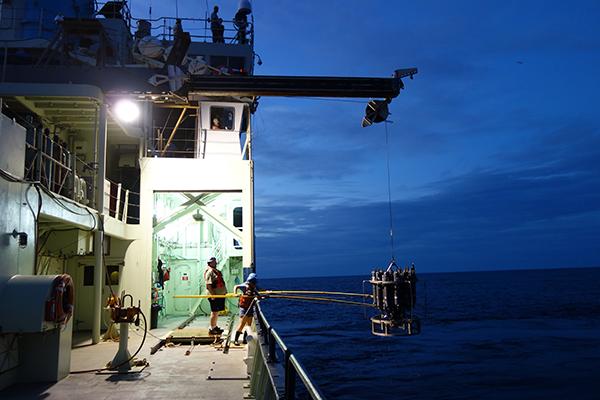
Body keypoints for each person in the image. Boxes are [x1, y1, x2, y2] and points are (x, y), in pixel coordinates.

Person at [233, 273, 261, 345]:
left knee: (249, 325)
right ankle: (236, 340)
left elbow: (258, 295)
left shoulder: (253, 288)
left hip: (251, 308)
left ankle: (245, 340)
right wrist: (235, 293)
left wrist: (260, 296)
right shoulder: (244, 286)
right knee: (242, 324)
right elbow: (236, 286)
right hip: (244, 308)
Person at [204, 257, 227, 335]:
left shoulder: (216, 271)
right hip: (215, 296)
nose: (215, 263)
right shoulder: (210, 272)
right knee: (214, 312)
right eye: (213, 262)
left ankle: (214, 326)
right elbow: (208, 285)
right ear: (209, 263)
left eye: (215, 262)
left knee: (216, 312)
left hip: (219, 295)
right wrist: (213, 295)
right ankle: (212, 328)